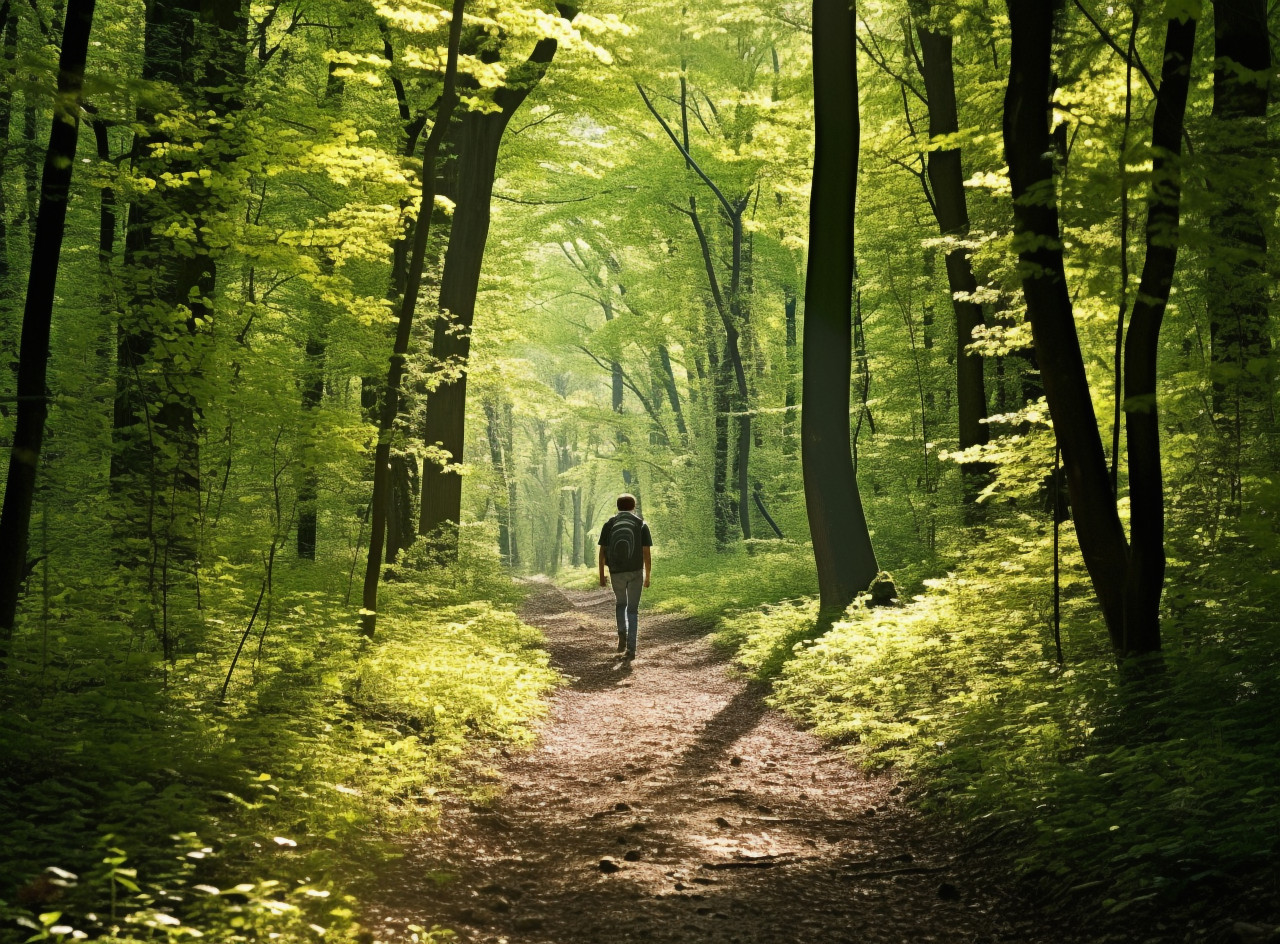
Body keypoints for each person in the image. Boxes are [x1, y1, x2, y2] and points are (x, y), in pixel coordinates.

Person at [598, 493, 652, 660]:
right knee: (633, 610)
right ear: (633, 507)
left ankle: (622, 635)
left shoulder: (609, 524)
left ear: (618, 507)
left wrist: (601, 575)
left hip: (616, 571)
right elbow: (646, 554)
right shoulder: (641, 524)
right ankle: (631, 648)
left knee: (621, 604)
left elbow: (602, 552)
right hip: (636, 571)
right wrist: (647, 575)